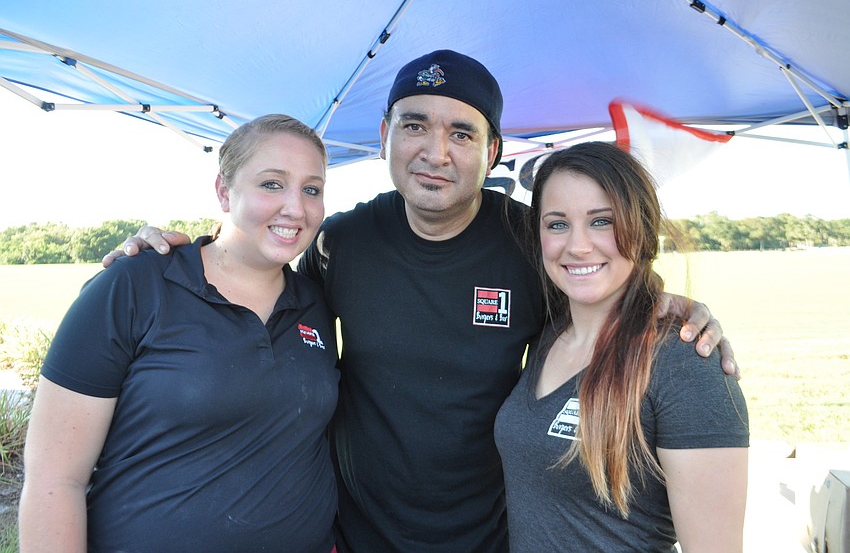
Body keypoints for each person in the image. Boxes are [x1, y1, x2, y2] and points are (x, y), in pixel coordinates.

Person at [103, 50, 737, 552]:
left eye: (461, 133)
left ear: (491, 152)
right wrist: (173, 252)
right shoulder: (339, 242)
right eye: (415, 125)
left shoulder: (531, 239)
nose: (435, 151)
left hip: (492, 538)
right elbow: (256, 282)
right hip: (354, 534)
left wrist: (671, 307)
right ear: (384, 135)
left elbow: (598, 294)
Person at [19, 115, 340, 552]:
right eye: (271, 184)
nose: (296, 208)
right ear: (224, 191)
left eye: (312, 189)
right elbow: (55, 480)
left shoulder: (317, 301)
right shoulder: (135, 285)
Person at [494, 142, 749, 551]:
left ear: (642, 228)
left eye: (602, 221)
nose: (577, 246)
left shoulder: (686, 365)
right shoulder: (547, 339)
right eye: (557, 224)